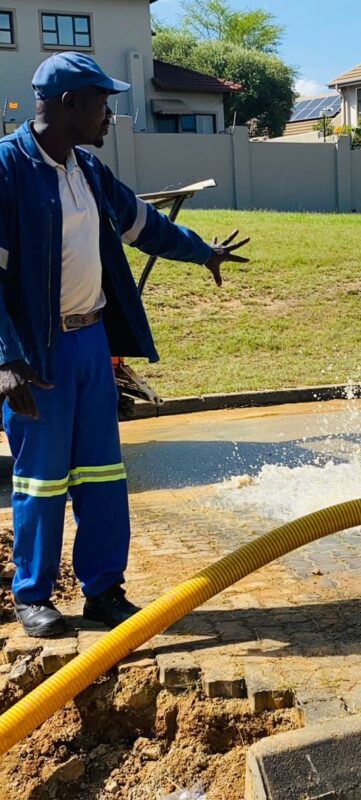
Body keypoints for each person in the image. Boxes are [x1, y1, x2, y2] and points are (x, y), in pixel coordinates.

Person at [0, 52, 249, 638]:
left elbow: (146, 225)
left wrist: (203, 251)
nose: (110, 115)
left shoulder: (87, 171)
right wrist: (6, 359)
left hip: (90, 344)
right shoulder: (8, 170)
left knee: (103, 474)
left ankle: (103, 591)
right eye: (103, 103)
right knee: (40, 479)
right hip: (38, 355)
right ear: (70, 105)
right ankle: (32, 595)